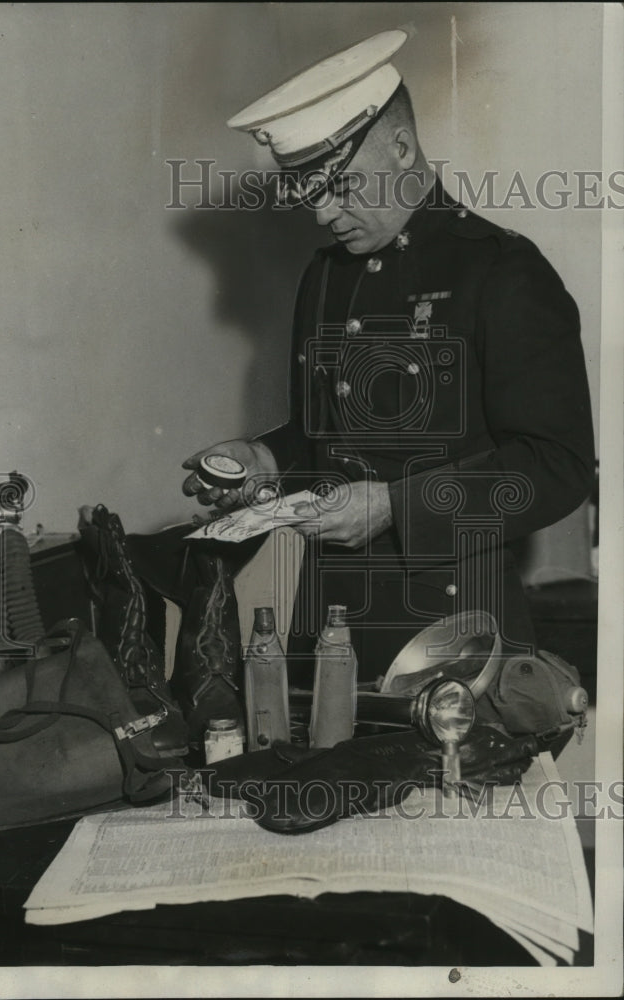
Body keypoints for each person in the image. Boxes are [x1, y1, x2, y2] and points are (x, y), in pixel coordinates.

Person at [181, 29, 595, 686]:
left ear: (401, 148)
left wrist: (398, 508)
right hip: (327, 627)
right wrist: (264, 459)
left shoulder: (501, 272)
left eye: (339, 187)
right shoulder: (324, 276)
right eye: (307, 193)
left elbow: (557, 465)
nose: (323, 214)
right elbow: (329, 441)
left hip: (456, 639)